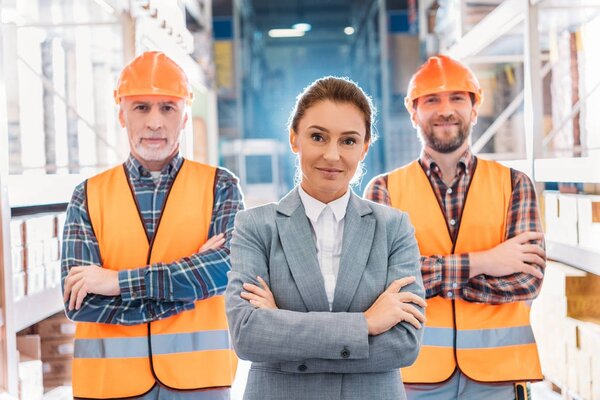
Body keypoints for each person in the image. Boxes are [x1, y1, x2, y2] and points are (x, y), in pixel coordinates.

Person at [225, 76, 426, 400]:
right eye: (318, 137)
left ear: (364, 147)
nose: (332, 155)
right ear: (294, 138)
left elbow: (404, 345)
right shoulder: (256, 227)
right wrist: (366, 324)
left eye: (348, 141)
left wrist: (282, 325)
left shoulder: (393, 228)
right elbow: (248, 336)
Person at [61, 51, 243, 400]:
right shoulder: (87, 196)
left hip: (199, 385)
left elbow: (227, 269)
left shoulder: (221, 186)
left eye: (167, 108)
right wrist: (189, 291)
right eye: (141, 107)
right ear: (121, 115)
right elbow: (80, 303)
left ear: (185, 116)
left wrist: (115, 281)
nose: (155, 122)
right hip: (109, 386)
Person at [364, 55, 546, 400]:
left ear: (474, 108)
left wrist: (426, 278)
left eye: (457, 98)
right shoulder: (383, 190)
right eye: (432, 100)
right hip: (413, 374)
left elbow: (527, 281)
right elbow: (378, 281)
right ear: (413, 111)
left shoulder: (515, 184)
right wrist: (486, 262)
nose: (445, 110)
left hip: (498, 377)